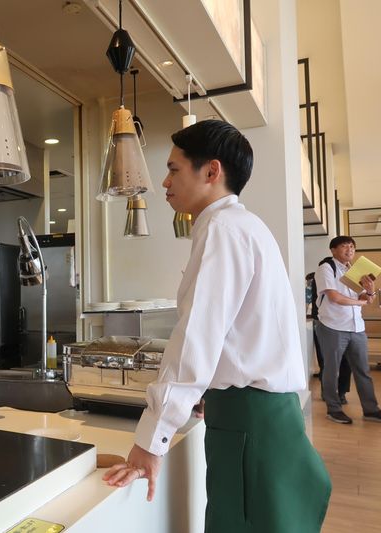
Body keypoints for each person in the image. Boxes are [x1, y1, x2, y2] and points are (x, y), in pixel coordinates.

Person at [102, 120, 331, 532]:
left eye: (173, 169)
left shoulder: (221, 229)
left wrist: (151, 441)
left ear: (211, 171)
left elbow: (196, 339)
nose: (165, 181)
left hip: (249, 420)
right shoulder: (244, 226)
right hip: (260, 414)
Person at [314, 235, 381, 424]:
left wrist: (370, 289)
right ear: (333, 250)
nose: (350, 249)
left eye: (352, 246)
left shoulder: (354, 270)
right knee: (331, 370)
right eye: (345, 246)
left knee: (363, 370)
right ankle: (333, 409)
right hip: (332, 326)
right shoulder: (326, 268)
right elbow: (335, 297)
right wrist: (362, 302)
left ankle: (371, 410)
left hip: (357, 327)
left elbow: (367, 299)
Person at [307, 268, 352, 403]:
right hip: (326, 323)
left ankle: (337, 392)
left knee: (335, 361)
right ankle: (334, 392)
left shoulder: (346, 278)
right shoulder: (321, 278)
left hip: (342, 323)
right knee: (332, 361)